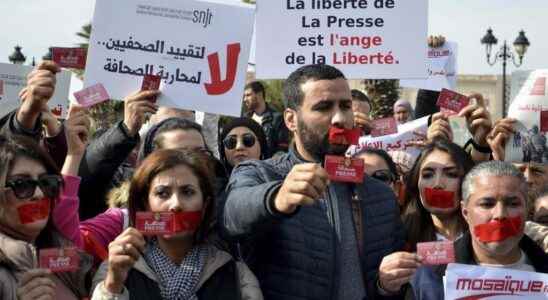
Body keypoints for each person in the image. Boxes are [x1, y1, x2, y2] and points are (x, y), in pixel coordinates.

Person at [221, 64, 406, 299]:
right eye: (324, 107)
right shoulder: (261, 174)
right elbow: (231, 214)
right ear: (291, 120)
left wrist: (385, 286)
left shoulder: (381, 195)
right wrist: (276, 198)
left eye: (345, 106)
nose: (340, 118)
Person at [90, 149, 262, 300]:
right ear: (145, 205)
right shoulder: (116, 267)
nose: (176, 205)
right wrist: (113, 285)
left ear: (205, 205)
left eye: (187, 192)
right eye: (162, 193)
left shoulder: (236, 274)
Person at [408, 161, 548, 300]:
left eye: (512, 204)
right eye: (487, 204)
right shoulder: (428, 275)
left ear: (526, 210)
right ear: (465, 212)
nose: (500, 214)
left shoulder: (543, 266)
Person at [0, 105, 91, 300]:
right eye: (22, 185)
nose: (40, 194)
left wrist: (112, 286)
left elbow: (65, 205)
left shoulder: (61, 249)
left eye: (47, 182)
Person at [402, 139, 474, 250]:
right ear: (416, 182)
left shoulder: (482, 236)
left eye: (451, 174)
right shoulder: (399, 237)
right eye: (428, 175)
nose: (437, 184)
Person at [243, 81, 289, 157]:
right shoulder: (245, 119)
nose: (245, 99)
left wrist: (269, 165)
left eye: (248, 95)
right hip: (250, 165)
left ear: (259, 95)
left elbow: (282, 148)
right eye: (244, 96)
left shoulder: (277, 118)